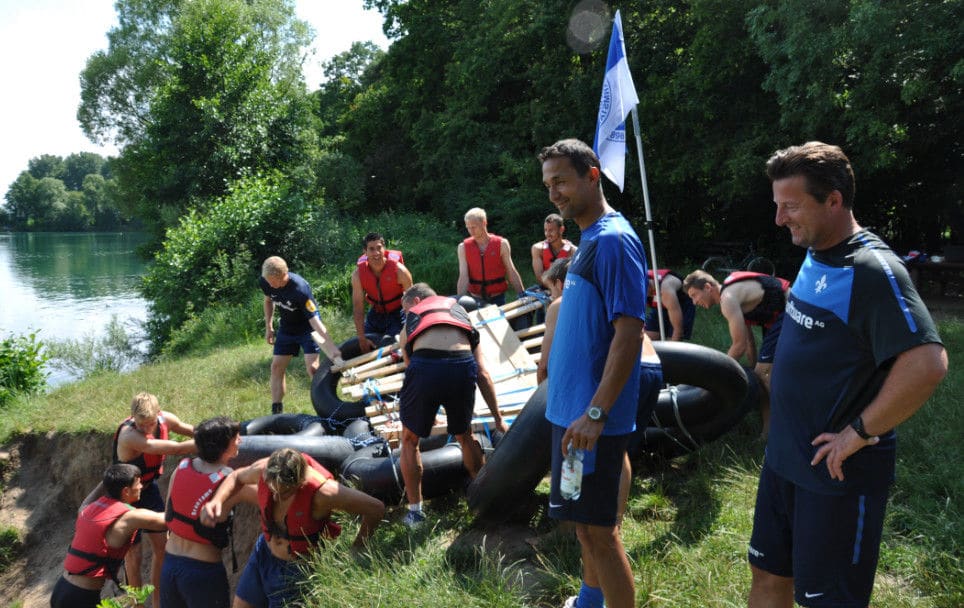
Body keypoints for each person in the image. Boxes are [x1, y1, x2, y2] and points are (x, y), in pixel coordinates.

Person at [747, 141, 947, 608]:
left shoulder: (874, 270)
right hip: (785, 460)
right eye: (778, 206)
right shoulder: (816, 249)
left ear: (833, 200)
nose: (780, 219)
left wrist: (857, 433)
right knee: (767, 573)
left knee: (826, 599)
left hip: (836, 475)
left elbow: (927, 362)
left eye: (791, 206)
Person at [539, 138, 647, 608]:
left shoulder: (615, 239)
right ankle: (588, 602)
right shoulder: (587, 240)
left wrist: (597, 412)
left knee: (601, 532)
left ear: (592, 175)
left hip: (591, 421)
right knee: (584, 527)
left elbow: (629, 333)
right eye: (548, 184)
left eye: (561, 180)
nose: (554, 193)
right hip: (570, 417)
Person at [201, 447, 384, 608]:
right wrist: (216, 502)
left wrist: (358, 547)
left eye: (284, 492)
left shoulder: (324, 493)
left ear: (299, 482)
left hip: (296, 569)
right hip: (263, 553)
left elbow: (376, 508)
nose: (276, 496)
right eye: (272, 489)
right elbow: (236, 476)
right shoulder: (264, 470)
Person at [397, 282, 508, 526]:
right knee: (464, 435)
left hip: (425, 367)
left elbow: (413, 370)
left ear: (416, 303)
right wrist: (498, 418)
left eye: (405, 310)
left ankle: (416, 513)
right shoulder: (462, 314)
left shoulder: (412, 319)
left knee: (409, 440)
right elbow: (482, 373)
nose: (406, 315)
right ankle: (484, 500)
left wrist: (428, 410)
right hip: (462, 365)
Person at [111, 391, 195, 608]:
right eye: (141, 424)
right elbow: (174, 449)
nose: (146, 429)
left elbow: (191, 430)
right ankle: (137, 604)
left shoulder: (166, 419)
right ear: (132, 418)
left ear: (159, 414)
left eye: (150, 424)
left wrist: (215, 435)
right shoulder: (129, 435)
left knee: (163, 547)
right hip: (125, 496)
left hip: (148, 490)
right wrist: (207, 443)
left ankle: (158, 603)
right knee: (134, 554)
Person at [161, 416, 255, 608]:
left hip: (169, 567)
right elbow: (272, 500)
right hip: (202, 573)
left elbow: (168, 515)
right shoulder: (230, 482)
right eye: (236, 437)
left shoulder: (180, 469)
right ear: (225, 446)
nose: (241, 440)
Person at [682, 268, 790, 436]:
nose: (694, 302)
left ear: (708, 287)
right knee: (761, 374)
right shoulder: (732, 298)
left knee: (764, 374)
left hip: (789, 308)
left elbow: (737, 346)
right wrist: (754, 369)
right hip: (778, 312)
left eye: (694, 295)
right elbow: (747, 343)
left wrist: (715, 373)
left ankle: (783, 427)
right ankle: (769, 430)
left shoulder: (727, 299)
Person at [51, 464, 167, 608]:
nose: (141, 487)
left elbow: (89, 499)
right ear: (126, 491)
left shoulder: (86, 509)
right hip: (80, 599)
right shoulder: (129, 517)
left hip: (62, 589)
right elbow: (168, 520)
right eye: (138, 483)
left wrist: (109, 478)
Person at [260, 256, 345, 414]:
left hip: (307, 328)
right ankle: (276, 411)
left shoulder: (300, 289)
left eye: (271, 281)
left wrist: (332, 348)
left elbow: (315, 321)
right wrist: (269, 326)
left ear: (281, 276)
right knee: (276, 367)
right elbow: (267, 300)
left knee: (313, 369)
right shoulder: (266, 281)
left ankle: (328, 410)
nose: (268, 284)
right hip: (287, 328)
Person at [351, 232, 414, 353]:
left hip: (397, 313)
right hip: (375, 313)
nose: (376, 253)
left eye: (379, 247)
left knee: (394, 347)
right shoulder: (357, 275)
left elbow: (412, 305)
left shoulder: (400, 271)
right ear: (365, 251)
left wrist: (408, 330)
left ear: (384, 248)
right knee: (364, 346)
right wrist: (361, 338)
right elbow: (358, 308)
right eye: (371, 249)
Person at [456, 207, 526, 306]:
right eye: (468, 227)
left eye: (474, 227)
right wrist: (459, 301)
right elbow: (463, 276)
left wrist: (522, 294)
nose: (471, 231)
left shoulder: (502, 244)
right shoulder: (463, 247)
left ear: (484, 223)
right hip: (476, 299)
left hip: (497, 298)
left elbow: (511, 271)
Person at [644, 269, 696, 341]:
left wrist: (673, 344)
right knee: (646, 339)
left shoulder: (666, 288)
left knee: (671, 343)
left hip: (680, 305)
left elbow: (678, 329)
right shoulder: (635, 289)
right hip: (659, 306)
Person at [531, 213, 577, 288]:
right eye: (545, 230)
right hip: (545, 289)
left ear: (561, 229)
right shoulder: (537, 249)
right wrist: (554, 289)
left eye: (551, 230)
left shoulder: (573, 251)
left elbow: (574, 279)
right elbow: (539, 277)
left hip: (566, 289)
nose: (547, 234)